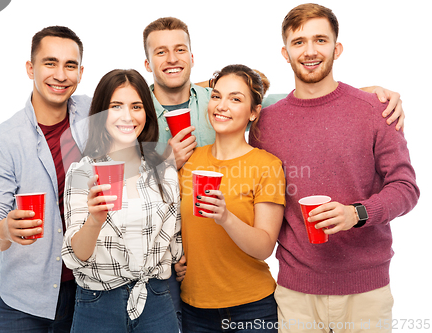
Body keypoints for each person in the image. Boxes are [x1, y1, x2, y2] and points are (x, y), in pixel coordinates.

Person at [249, 4, 419, 333]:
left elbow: (405, 188)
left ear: (336, 48)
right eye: (299, 42)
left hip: (366, 292)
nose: (310, 51)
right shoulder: (265, 123)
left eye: (320, 40)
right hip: (295, 293)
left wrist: (356, 213)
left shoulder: (375, 110)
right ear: (285, 53)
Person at [143, 17, 405, 171]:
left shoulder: (216, 101)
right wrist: (164, 163)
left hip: (213, 231)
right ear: (147, 64)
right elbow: (113, 179)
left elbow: (297, 102)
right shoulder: (133, 111)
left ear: (191, 57)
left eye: (179, 50)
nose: (172, 59)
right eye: (160, 52)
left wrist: (362, 94)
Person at [0, 26, 90, 332]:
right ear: (31, 68)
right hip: (25, 303)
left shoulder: (93, 113)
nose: (60, 75)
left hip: (88, 292)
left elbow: (143, 99)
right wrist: (5, 228)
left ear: (81, 72)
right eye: (50, 63)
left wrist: (216, 90)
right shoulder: (2, 142)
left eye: (70, 65)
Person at [61, 69, 183, 333]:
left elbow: (175, 248)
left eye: (136, 106)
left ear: (147, 113)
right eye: (116, 106)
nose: (127, 116)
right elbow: (75, 258)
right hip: (98, 305)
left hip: (156, 301)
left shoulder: (166, 173)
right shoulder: (82, 173)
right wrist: (94, 221)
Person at [178, 64, 285, 332]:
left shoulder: (267, 165)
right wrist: (176, 259)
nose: (221, 106)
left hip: (252, 307)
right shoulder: (190, 160)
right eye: (216, 96)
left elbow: (264, 247)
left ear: (254, 112)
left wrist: (226, 217)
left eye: (235, 99)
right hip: (194, 307)